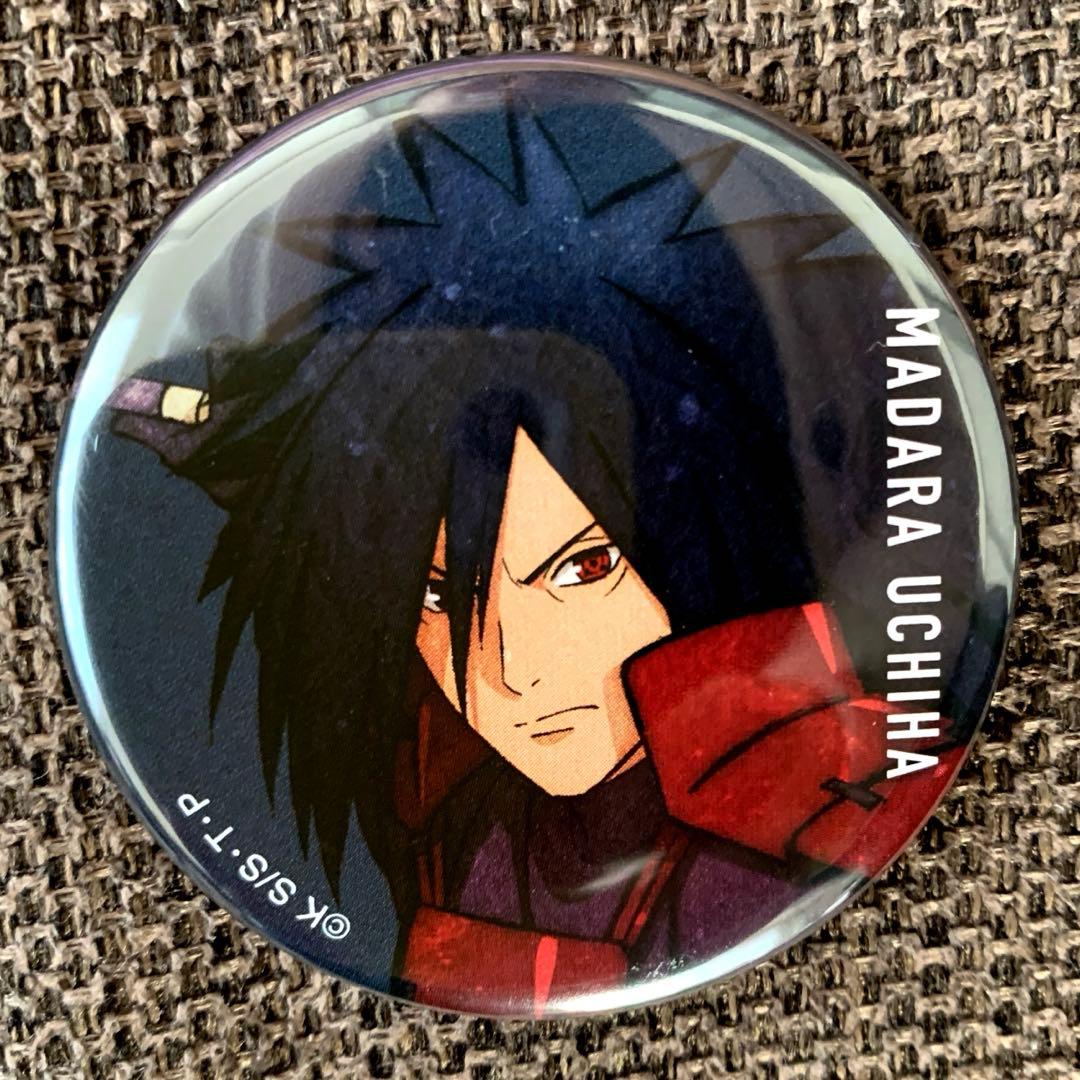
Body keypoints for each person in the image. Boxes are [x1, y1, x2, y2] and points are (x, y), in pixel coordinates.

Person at [106, 84, 963, 1014]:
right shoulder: (441, 798)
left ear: (702, 544)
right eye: (438, 595)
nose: (507, 675)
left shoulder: (803, 811)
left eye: (583, 568)